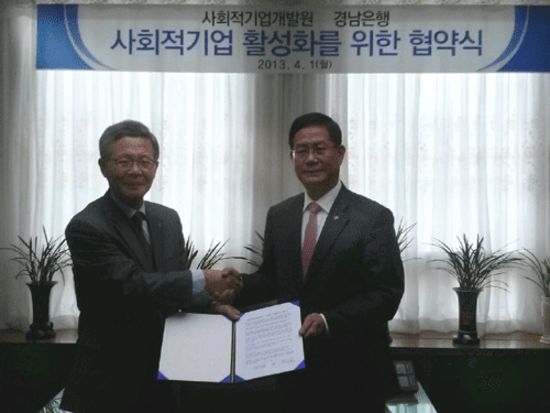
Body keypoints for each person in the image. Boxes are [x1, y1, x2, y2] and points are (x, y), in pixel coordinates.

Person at [60, 120, 241, 413]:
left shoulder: (167, 219)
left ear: (155, 167)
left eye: (144, 162)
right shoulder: (87, 226)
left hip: (167, 375)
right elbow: (131, 287)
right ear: (103, 166)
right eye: (124, 162)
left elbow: (169, 287)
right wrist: (203, 280)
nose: (135, 170)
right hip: (110, 382)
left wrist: (210, 304)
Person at [234, 112, 404, 412]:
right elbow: (271, 279)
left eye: (319, 149)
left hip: (355, 373)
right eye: (301, 150)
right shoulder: (280, 215)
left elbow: (386, 294)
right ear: (292, 157)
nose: (310, 158)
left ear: (340, 154)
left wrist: (328, 320)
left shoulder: (372, 218)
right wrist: (234, 287)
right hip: (292, 371)